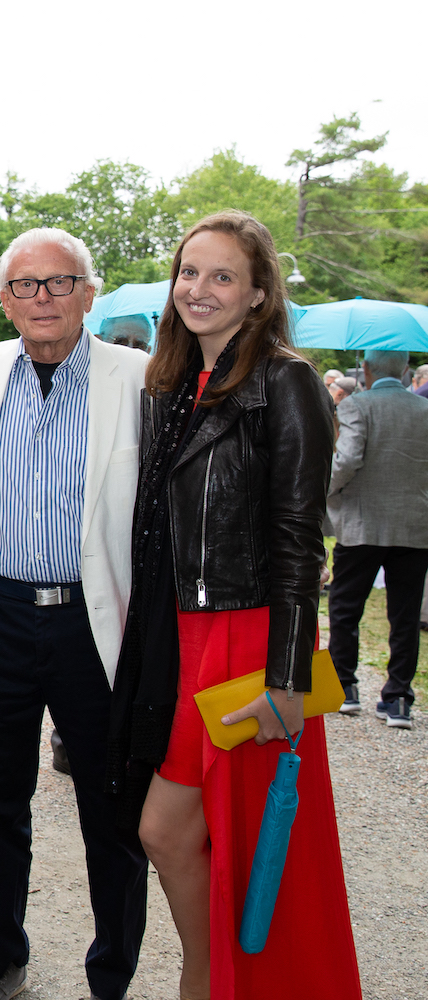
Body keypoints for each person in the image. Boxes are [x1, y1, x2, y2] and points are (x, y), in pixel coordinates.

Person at [109, 210, 360, 1000]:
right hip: (184, 633)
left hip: (250, 636)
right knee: (167, 830)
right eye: (190, 272)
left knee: (259, 848)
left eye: (223, 276)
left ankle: (237, 981)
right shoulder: (177, 384)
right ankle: (210, 971)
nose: (200, 289)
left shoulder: (284, 381)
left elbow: (298, 541)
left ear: (257, 294)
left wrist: (288, 675)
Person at [0, 228, 149, 1000]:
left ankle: (111, 976)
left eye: (60, 283)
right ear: (4, 299)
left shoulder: (138, 378)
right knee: (1, 805)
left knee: (111, 809)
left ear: (90, 294)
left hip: (94, 626)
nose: (43, 299)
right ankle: (4, 960)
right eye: (25, 286)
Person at [326, 349, 428, 726]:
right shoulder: (424, 409)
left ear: (366, 368)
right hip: (413, 524)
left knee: (345, 606)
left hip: (362, 522)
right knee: (405, 613)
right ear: (404, 370)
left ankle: (344, 686)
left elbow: (348, 459)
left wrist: (327, 491)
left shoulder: (358, 405)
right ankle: (399, 697)